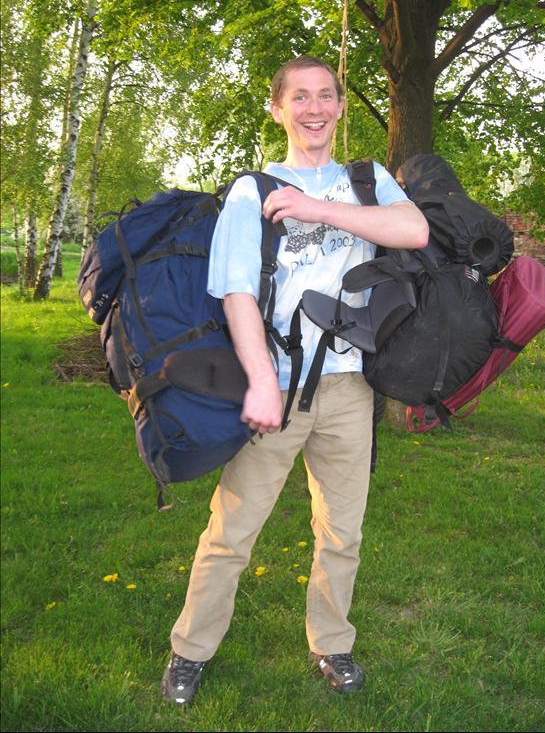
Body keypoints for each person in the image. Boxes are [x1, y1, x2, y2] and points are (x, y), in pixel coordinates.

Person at [160, 55, 429, 704]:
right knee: (232, 530)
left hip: (350, 387)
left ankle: (332, 644)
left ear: (340, 106)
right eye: (300, 97)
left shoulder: (366, 180)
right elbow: (236, 293)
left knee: (343, 531)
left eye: (326, 95)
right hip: (277, 385)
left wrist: (319, 209)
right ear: (277, 108)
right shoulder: (252, 189)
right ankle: (190, 652)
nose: (315, 108)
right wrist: (259, 380)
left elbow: (414, 230)